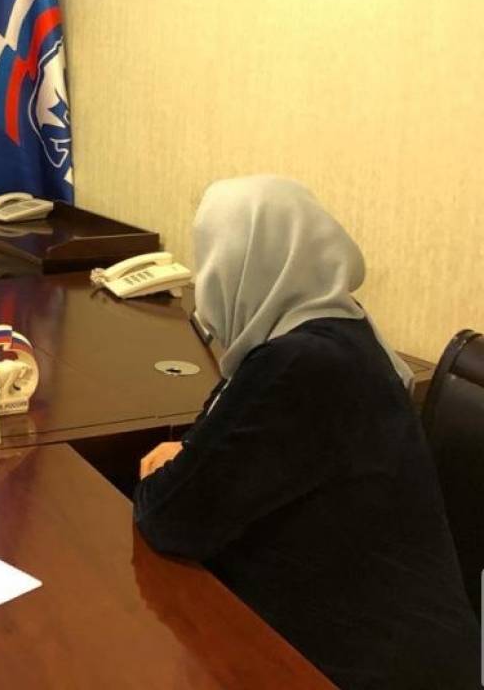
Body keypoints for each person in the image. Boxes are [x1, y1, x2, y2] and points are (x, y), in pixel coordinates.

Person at [134, 176, 478, 690]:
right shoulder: (334, 330)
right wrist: (190, 460)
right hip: (371, 637)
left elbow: (172, 518)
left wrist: (176, 468)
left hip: (368, 666)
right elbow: (218, 446)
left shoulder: (301, 364)